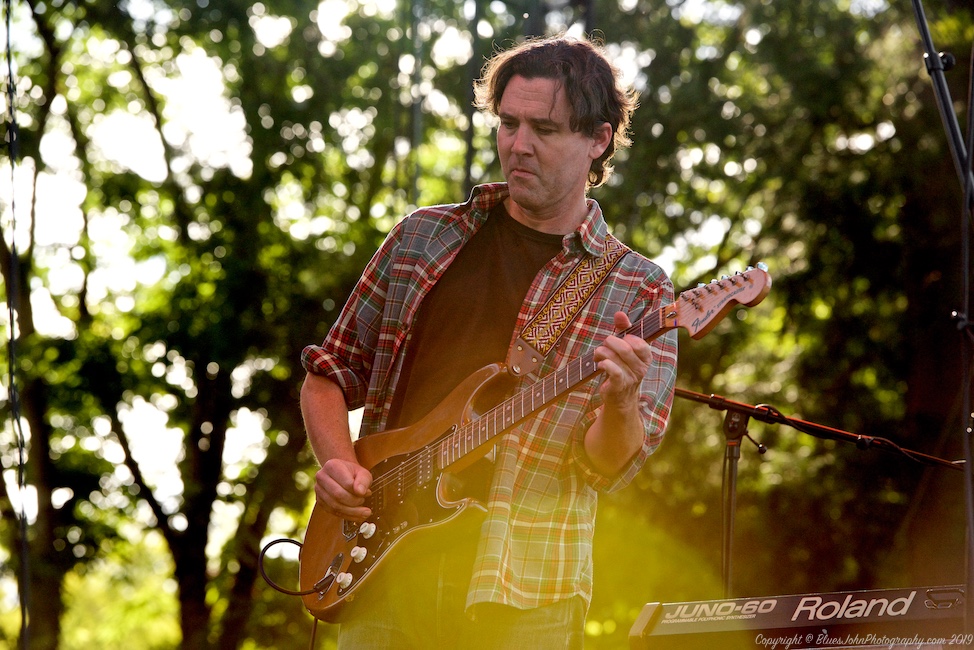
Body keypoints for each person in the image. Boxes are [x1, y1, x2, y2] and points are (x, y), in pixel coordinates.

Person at [300, 34, 678, 648]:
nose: (518, 145)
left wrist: (621, 397)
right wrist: (339, 464)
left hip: (527, 587)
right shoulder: (423, 238)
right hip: (379, 568)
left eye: (545, 129)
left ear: (599, 139)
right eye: (508, 123)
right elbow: (329, 373)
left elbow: (607, 467)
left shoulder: (639, 291)